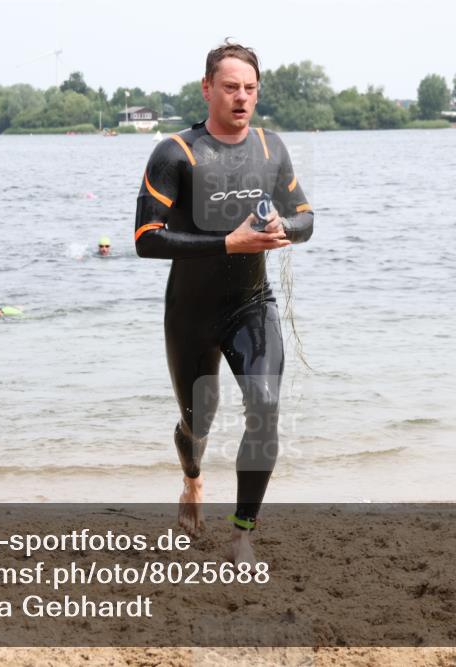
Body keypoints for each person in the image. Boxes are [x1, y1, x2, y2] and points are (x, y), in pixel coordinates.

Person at [134, 41, 314, 566]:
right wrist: (227, 242)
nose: (242, 97)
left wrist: (287, 227)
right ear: (207, 88)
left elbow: (306, 218)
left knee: (264, 406)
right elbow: (147, 238)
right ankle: (192, 478)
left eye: (250, 88)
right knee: (198, 423)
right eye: (231, 87)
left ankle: (242, 533)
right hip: (189, 315)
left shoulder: (270, 148)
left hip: (250, 305)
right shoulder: (175, 153)